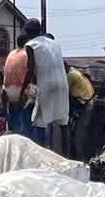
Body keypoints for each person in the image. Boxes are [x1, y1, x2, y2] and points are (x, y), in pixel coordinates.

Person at [22, 19, 70, 150]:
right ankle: (67, 155)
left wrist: (23, 90)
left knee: (40, 123)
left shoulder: (31, 45)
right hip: (62, 85)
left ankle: (42, 155)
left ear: (27, 33)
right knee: (63, 122)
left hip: (46, 85)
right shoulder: (55, 44)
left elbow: (30, 69)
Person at [2, 37, 33, 133]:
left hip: (7, 93)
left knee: (15, 123)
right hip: (20, 94)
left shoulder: (11, 54)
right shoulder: (26, 54)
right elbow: (31, 72)